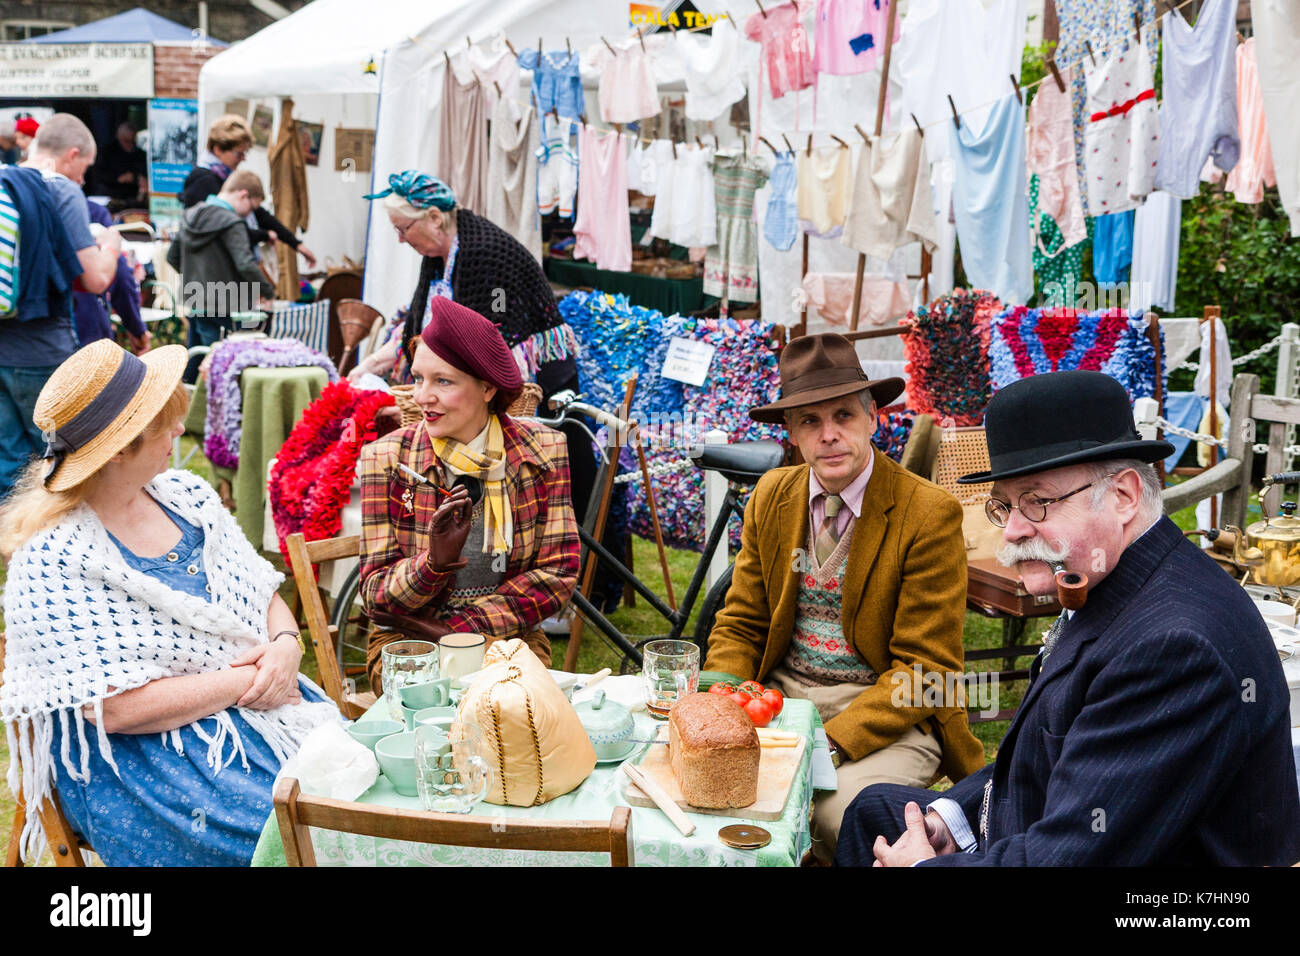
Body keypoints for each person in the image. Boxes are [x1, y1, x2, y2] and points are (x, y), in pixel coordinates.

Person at [839, 370, 1300, 867]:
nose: (1012, 531)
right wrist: (950, 818)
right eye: (1006, 505)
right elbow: (1036, 756)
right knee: (873, 811)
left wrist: (923, 868)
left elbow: (1074, 857)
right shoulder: (1115, 581)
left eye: (1036, 501)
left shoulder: (1174, 648)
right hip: (1053, 825)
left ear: (1123, 496)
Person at [0, 339, 339, 866]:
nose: (181, 431)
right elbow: (113, 708)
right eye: (165, 422)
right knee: (300, 832)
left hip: (260, 709)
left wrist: (287, 645)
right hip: (148, 761)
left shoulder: (188, 497)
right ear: (119, 448)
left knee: (355, 797)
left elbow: (262, 591)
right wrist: (249, 680)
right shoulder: (51, 560)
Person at [703, 333, 985, 863]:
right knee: (712, 793)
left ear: (873, 417)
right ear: (790, 432)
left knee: (837, 814)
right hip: (781, 704)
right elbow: (742, 620)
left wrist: (825, 742)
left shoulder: (927, 513)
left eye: (843, 416)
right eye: (810, 421)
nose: (829, 435)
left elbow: (926, 671)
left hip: (883, 716)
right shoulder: (772, 496)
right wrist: (719, 699)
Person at [357, 297, 579, 688]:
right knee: (429, 707)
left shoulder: (543, 451)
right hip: (408, 642)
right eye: (418, 378)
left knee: (509, 708)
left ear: (488, 387)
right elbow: (376, 597)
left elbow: (559, 571)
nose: (422, 396)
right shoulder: (387, 459)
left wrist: (461, 631)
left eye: (443, 381)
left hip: (509, 638)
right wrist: (432, 565)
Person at [0, 113, 121, 500]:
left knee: (10, 465)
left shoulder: (5, 185)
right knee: (65, 463)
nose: (82, 180)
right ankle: (62, 552)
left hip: (2, 345)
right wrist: (111, 247)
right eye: (84, 169)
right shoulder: (62, 190)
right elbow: (94, 279)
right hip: (44, 352)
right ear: (71, 155)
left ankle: (17, 553)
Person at [166, 168, 274, 383]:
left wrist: (194, 279)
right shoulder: (232, 223)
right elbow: (245, 264)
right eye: (251, 207)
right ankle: (214, 413)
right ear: (243, 195)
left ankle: (183, 409)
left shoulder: (189, 216)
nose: (249, 213)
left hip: (195, 297)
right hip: (227, 301)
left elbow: (172, 256)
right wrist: (267, 291)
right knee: (219, 366)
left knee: (195, 359)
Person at [179, 114, 317, 270]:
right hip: (213, 276)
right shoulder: (203, 182)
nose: (243, 159)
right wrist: (264, 235)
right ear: (218, 150)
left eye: (245, 153)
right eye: (239, 153)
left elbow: (259, 213)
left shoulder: (225, 178)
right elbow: (228, 231)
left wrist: (296, 244)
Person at [73, 198, 150, 352]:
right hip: (85, 331)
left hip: (23, 336)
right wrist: (137, 329)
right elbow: (120, 276)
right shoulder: (90, 211)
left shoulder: (20, 199)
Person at [90, 121, 148, 208]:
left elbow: (144, 174)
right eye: (126, 142)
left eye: (132, 142)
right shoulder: (107, 153)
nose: (130, 146)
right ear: (119, 138)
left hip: (133, 199)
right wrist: (118, 178)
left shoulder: (140, 154)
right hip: (111, 196)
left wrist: (136, 177)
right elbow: (97, 175)